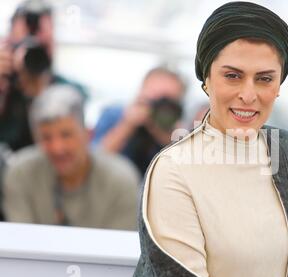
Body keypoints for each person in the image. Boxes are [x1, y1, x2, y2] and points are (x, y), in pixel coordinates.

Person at [127, 2, 288, 277]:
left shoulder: (286, 152)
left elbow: (278, 253)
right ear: (206, 79)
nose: (248, 95)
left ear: (279, 84)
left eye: (264, 78)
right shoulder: (174, 169)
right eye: (233, 76)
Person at [2, 85, 139, 230]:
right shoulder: (20, 174)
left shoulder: (121, 181)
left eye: (66, 135)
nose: (57, 148)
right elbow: (21, 242)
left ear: (87, 134)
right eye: (46, 137)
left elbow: (119, 247)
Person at [0, 0, 86, 152]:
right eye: (24, 44)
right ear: (8, 44)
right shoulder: (4, 85)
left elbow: (63, 152)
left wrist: (41, 92)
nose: (32, 56)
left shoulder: (70, 91)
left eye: (42, 47)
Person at [92, 67, 185, 176]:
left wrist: (168, 136)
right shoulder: (115, 114)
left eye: (168, 100)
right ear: (141, 92)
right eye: (155, 96)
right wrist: (127, 125)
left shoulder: (179, 132)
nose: (160, 105)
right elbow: (94, 160)